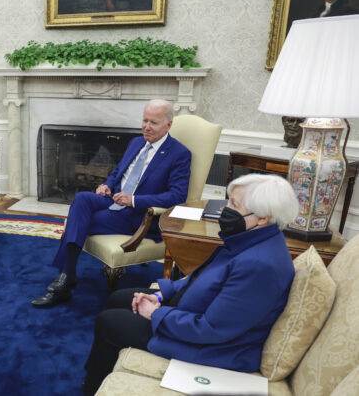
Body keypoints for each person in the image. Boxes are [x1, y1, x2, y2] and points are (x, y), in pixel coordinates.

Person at [80, 174, 298, 395]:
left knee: (109, 322)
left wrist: (156, 313)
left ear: (262, 217)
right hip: (197, 310)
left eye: (234, 204)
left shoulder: (261, 266)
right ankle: (99, 370)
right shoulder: (251, 240)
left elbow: (212, 329)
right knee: (120, 298)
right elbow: (202, 279)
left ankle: (91, 386)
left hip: (215, 348)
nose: (225, 210)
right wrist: (161, 296)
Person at [31, 99, 191, 308]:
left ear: (168, 125)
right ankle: (66, 278)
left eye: (153, 122)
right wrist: (106, 184)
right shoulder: (136, 142)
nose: (146, 127)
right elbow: (119, 172)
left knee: (78, 222)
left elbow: (177, 197)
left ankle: (64, 280)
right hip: (113, 200)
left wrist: (133, 200)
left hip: (139, 214)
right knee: (81, 199)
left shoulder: (179, 154)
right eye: (144, 120)